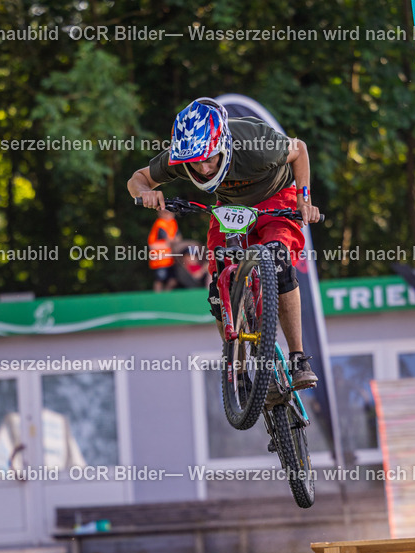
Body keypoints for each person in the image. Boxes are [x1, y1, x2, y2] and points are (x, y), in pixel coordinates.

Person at [127, 97, 319, 389]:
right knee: (220, 282)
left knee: (279, 260)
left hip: (276, 198)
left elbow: (300, 150)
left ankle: (298, 358)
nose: (203, 168)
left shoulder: (256, 145)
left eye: (210, 158)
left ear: (224, 146)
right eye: (195, 162)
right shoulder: (183, 156)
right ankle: (239, 372)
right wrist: (145, 192)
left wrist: (304, 198)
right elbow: (138, 179)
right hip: (229, 208)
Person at [147, 209, 179, 292]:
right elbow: (170, 241)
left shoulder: (172, 223)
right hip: (160, 258)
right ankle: (157, 298)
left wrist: (173, 242)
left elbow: (178, 239)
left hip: (170, 258)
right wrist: (172, 242)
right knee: (160, 280)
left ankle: (165, 297)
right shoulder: (160, 224)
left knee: (173, 280)